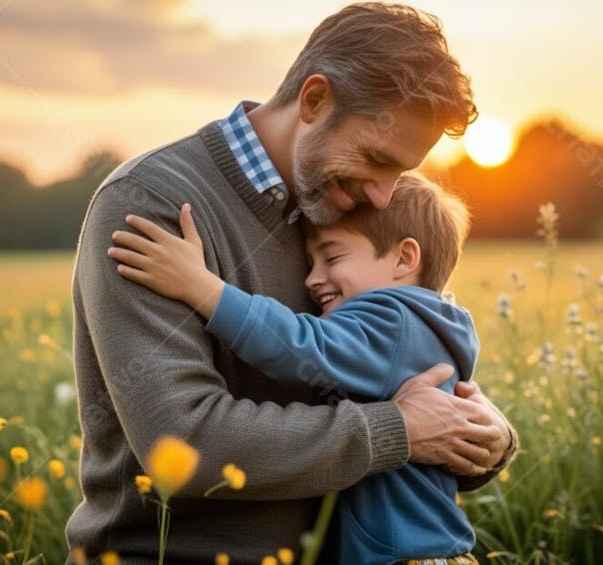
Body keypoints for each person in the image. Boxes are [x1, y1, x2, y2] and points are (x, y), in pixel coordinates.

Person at [67, 3, 517, 562]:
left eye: (398, 174)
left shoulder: (342, 209)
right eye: (375, 159)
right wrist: (395, 431)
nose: (382, 196)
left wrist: (487, 437)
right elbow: (181, 444)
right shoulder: (149, 204)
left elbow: (408, 373)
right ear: (314, 100)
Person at [110, 173, 508, 564]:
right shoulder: (432, 326)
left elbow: (303, 347)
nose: (313, 279)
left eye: (332, 257)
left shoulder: (393, 320)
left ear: (404, 258)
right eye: (311, 261)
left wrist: (202, 288)